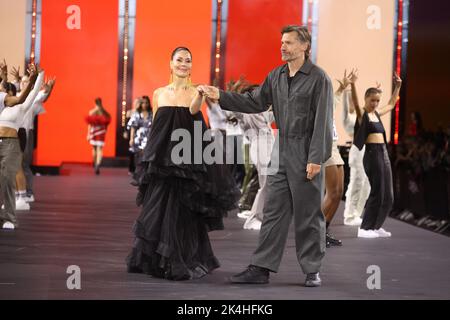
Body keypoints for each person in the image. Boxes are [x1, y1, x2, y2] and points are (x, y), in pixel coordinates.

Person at [199, 25, 333, 287]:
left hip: (307, 150)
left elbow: (323, 121)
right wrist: (221, 96)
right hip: (280, 148)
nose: (283, 46)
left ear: (305, 46)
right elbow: (255, 102)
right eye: (282, 42)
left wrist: (316, 157)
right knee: (273, 210)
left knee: (308, 214)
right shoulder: (276, 76)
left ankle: (312, 269)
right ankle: (261, 267)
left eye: (289, 43)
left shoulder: (319, 78)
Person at [126, 47, 240, 280]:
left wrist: (199, 94)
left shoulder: (195, 91)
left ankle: (179, 258)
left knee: (184, 208)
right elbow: (157, 127)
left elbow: (193, 111)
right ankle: (157, 258)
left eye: (188, 60)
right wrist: (150, 156)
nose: (183, 64)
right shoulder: (159, 93)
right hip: (162, 158)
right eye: (179, 60)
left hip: (188, 154)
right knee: (159, 206)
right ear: (170, 63)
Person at [349, 69, 402, 238]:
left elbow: (392, 104)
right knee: (377, 192)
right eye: (372, 100)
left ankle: (376, 226)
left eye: (377, 101)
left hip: (384, 153)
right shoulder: (362, 114)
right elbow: (356, 103)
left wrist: (398, 86)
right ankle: (365, 228)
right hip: (372, 154)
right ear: (366, 99)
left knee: (389, 196)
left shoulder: (377, 114)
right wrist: (352, 84)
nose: (375, 103)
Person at [0, 62, 42, 230]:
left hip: (11, 144)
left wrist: (35, 79)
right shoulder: (1, 103)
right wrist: (4, 75)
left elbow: (29, 95)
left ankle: (9, 218)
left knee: (8, 178)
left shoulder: (20, 106)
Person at [86, 98, 111, 175]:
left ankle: (95, 162)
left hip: (94, 131)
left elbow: (89, 122)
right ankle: (97, 164)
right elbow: (108, 118)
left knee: (94, 148)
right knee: (99, 149)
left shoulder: (93, 111)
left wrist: (88, 134)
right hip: (101, 131)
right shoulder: (104, 111)